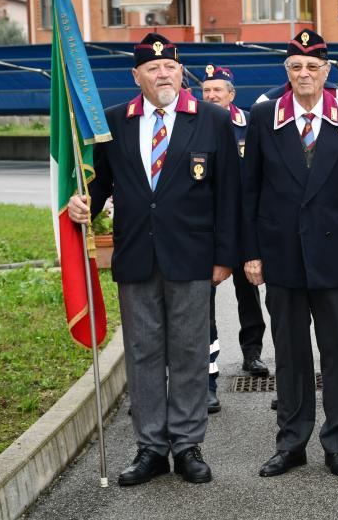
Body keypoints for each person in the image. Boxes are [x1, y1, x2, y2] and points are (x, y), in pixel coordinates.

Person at [67, 33, 240, 486]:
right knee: (143, 353)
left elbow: (230, 196)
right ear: (137, 76)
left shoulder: (212, 119)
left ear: (180, 72)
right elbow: (96, 183)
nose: (162, 74)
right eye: (152, 68)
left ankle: (186, 445)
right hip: (137, 255)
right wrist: (80, 202)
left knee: (188, 352)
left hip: (193, 256)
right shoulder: (113, 123)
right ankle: (150, 447)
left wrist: (226, 257)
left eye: (170, 67)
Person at [241, 30, 338, 478]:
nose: (304, 75)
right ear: (287, 72)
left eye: (313, 67)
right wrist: (252, 253)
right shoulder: (263, 117)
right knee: (292, 354)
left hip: (335, 254)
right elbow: (250, 192)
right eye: (296, 67)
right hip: (281, 254)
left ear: (326, 72)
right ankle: (291, 442)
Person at [199, 65, 270, 416]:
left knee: (249, 290)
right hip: (209, 225)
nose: (211, 96)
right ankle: (207, 369)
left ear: (232, 94)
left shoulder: (251, 123)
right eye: (206, 90)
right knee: (204, 297)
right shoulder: (198, 122)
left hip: (246, 224)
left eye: (217, 90)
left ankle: (252, 352)